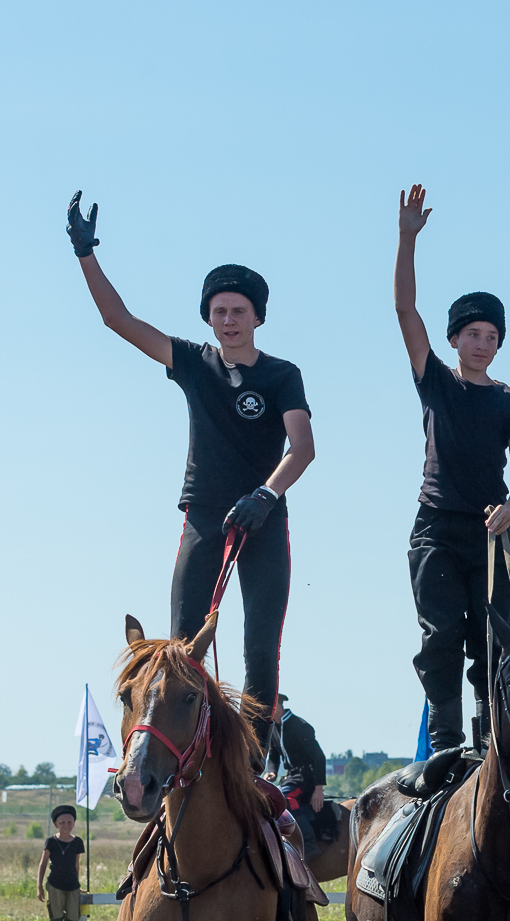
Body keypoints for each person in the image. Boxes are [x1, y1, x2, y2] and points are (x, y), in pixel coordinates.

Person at [67, 191, 315, 752]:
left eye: (240, 311)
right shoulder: (193, 363)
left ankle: (255, 757)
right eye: (220, 311)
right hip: (205, 517)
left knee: (259, 646)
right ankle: (184, 755)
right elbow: (117, 320)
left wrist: (266, 494)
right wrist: (86, 254)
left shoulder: (281, 375)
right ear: (208, 316)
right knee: (182, 645)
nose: (229, 320)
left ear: (258, 317)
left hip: (262, 518)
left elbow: (302, 447)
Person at [394, 184, 510, 754]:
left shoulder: (509, 400)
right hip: (436, 530)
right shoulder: (436, 380)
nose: (483, 343)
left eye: (492, 337)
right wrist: (407, 239)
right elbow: (405, 309)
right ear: (455, 339)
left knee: (495, 641)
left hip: (489, 531)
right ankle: (447, 745)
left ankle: (490, 739)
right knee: (443, 637)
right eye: (473, 334)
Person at [265, 695, 329, 844]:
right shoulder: (273, 728)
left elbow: (319, 757)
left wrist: (318, 789)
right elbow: (273, 756)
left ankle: (307, 840)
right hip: (291, 777)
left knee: (286, 798)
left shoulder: (300, 726)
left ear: (278, 707)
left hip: (306, 778)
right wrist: (272, 771)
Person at [36, 805, 85, 921]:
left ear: (74, 823)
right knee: (56, 918)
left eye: (69, 822)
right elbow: (43, 864)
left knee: (73, 919)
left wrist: (78, 883)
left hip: (72, 886)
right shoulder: (50, 842)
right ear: (56, 824)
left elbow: (77, 864)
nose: (66, 825)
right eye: (62, 822)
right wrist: (39, 886)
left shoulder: (77, 842)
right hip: (55, 885)